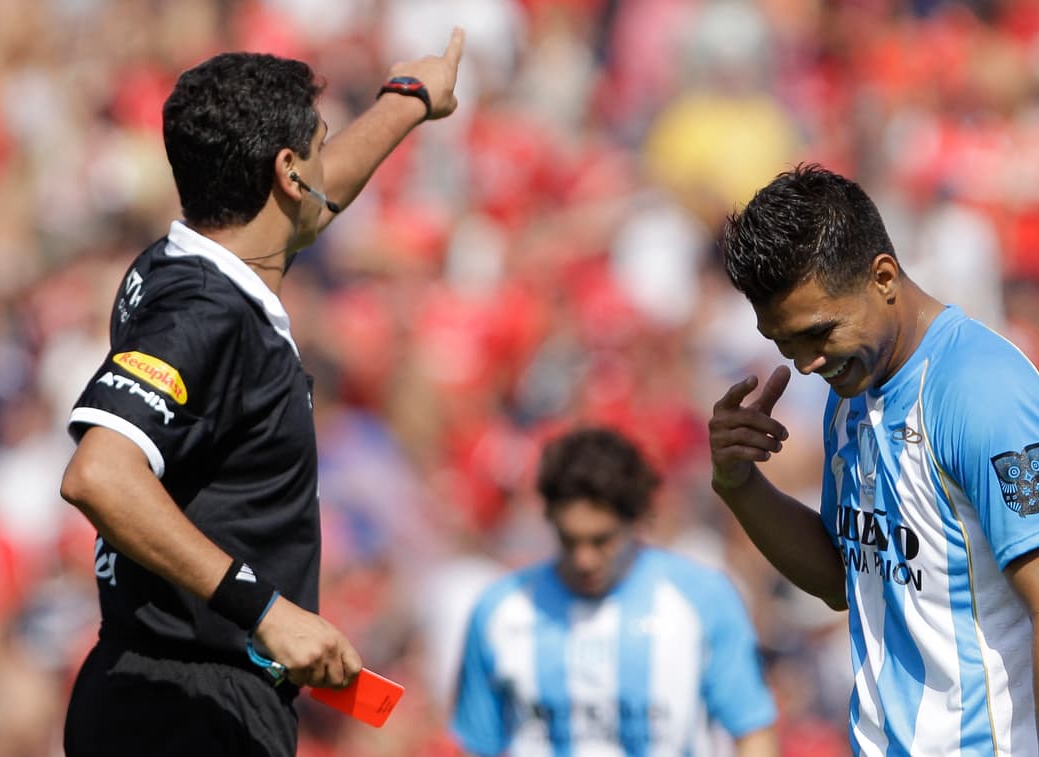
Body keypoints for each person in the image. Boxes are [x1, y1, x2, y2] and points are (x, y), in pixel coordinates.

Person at [57, 31, 465, 757]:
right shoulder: (204, 313)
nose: (322, 168)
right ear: (286, 172)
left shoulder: (181, 262)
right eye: (316, 147)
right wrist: (267, 610)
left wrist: (408, 101)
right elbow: (100, 472)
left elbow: (317, 194)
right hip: (187, 707)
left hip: (158, 689)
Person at [708, 163, 1039, 755]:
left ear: (883, 276)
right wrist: (739, 483)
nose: (808, 363)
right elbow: (848, 579)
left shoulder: (981, 391)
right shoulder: (855, 392)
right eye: (786, 346)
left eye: (819, 334)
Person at [451, 426, 780, 756]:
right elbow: (478, 745)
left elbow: (752, 730)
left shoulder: (703, 598)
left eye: (601, 540)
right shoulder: (499, 609)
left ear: (635, 520)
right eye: (569, 540)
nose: (584, 559)